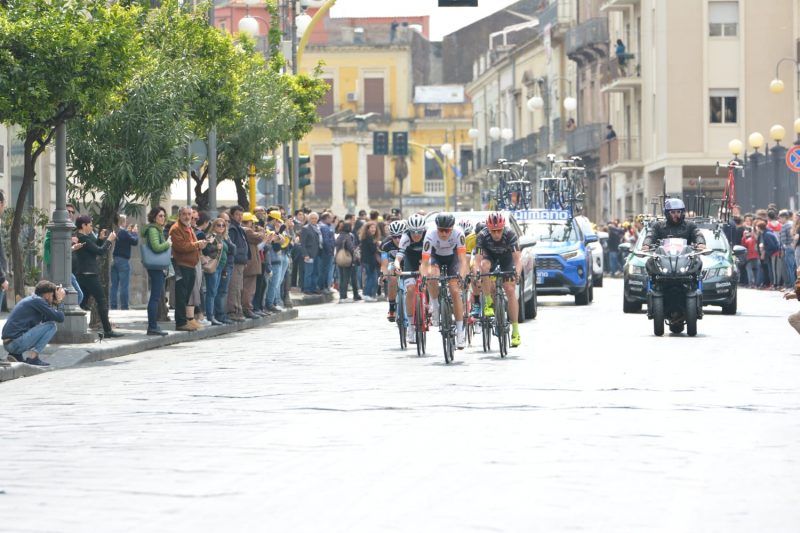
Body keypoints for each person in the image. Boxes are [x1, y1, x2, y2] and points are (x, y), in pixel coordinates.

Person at [474, 212, 523, 348]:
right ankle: (488, 301)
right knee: (484, 267)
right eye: (493, 231)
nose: (496, 234)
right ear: (488, 229)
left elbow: (518, 259)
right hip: (490, 257)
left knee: (510, 289)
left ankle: (515, 331)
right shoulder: (482, 236)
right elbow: (477, 260)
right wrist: (477, 273)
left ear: (503, 228)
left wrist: (516, 273)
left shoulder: (510, 234)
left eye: (498, 231)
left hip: (506, 258)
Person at [420, 212, 468, 348]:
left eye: (447, 230)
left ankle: (460, 332)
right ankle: (435, 305)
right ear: (437, 228)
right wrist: (424, 277)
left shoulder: (459, 233)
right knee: (432, 274)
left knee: (454, 290)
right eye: (441, 230)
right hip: (436, 257)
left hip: (452, 258)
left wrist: (461, 277)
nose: (444, 234)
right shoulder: (430, 235)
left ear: (452, 228)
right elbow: (424, 263)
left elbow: (463, 261)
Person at [73, 215, 123, 338]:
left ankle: (74, 327)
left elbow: (94, 249)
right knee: (101, 301)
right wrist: (109, 240)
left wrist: (100, 239)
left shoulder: (81, 237)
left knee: (82, 302)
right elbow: (100, 251)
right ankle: (107, 331)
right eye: (89, 224)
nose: (91, 227)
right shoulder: (83, 238)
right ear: (83, 225)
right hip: (89, 274)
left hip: (82, 274)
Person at [2, 280, 66, 366]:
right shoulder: (38, 301)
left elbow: (48, 318)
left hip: (8, 344)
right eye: (52, 295)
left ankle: (15, 356)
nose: (53, 297)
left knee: (48, 324)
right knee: (52, 326)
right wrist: (60, 301)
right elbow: (60, 318)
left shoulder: (33, 300)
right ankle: (33, 358)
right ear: (46, 295)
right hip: (15, 343)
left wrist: (54, 303)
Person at [169, 206, 208, 331]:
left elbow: (193, 244)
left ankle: (186, 320)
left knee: (186, 295)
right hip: (182, 265)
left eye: (189, 214)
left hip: (190, 265)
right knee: (181, 295)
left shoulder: (188, 227)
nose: (187, 216)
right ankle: (180, 323)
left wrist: (200, 245)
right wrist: (197, 244)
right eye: (184, 214)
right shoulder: (176, 229)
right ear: (179, 215)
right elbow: (181, 247)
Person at [394, 214, 428, 343]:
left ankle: (429, 304)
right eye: (413, 232)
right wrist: (397, 266)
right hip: (410, 260)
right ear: (409, 230)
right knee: (410, 289)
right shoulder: (405, 237)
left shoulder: (428, 235)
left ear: (423, 230)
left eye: (419, 232)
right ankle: (411, 326)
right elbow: (399, 257)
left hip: (425, 258)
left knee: (429, 278)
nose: (416, 235)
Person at [141, 206, 171, 336]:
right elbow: (156, 247)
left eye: (164, 216)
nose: (163, 218)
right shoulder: (153, 230)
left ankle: (153, 326)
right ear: (154, 217)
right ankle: (152, 326)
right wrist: (168, 243)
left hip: (157, 267)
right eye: (160, 216)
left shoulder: (157, 229)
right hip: (156, 267)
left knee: (156, 297)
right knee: (154, 298)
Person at [110, 214, 138, 310]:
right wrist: (134, 233)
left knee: (114, 285)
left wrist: (129, 232)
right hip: (123, 260)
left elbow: (126, 237)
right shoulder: (124, 232)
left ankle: (113, 306)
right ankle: (124, 306)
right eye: (125, 221)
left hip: (114, 259)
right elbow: (135, 241)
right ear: (123, 222)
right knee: (124, 285)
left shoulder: (116, 231)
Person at [381, 220, 407, 321]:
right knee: (392, 279)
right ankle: (392, 308)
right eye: (394, 237)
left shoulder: (409, 241)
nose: (397, 239)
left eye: (400, 236)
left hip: (407, 262)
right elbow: (384, 262)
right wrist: (383, 274)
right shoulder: (386, 244)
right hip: (392, 262)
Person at [203, 217, 228, 325]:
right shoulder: (211, 236)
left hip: (220, 267)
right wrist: (216, 248)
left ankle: (212, 315)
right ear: (214, 226)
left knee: (215, 292)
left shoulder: (222, 237)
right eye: (219, 225)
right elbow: (205, 250)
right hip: (214, 267)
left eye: (223, 225)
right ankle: (209, 316)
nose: (221, 227)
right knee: (211, 292)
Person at [335, 222, 360, 302]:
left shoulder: (339, 236)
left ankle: (341, 296)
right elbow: (350, 247)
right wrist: (355, 251)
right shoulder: (347, 236)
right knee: (346, 278)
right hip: (347, 259)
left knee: (341, 278)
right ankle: (344, 297)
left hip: (339, 258)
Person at [358, 221, 382, 302]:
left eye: (374, 228)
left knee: (370, 277)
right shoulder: (369, 237)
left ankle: (367, 294)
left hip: (366, 260)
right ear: (367, 229)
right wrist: (376, 245)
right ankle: (367, 294)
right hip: (369, 261)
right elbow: (372, 250)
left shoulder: (366, 236)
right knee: (372, 278)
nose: (373, 229)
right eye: (371, 227)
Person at [301, 212, 322, 295]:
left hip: (318, 253)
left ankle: (314, 288)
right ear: (309, 219)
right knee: (308, 272)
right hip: (309, 254)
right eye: (312, 218)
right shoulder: (306, 228)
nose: (314, 220)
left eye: (315, 218)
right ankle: (307, 289)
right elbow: (303, 243)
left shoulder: (318, 227)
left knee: (316, 272)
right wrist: (305, 254)